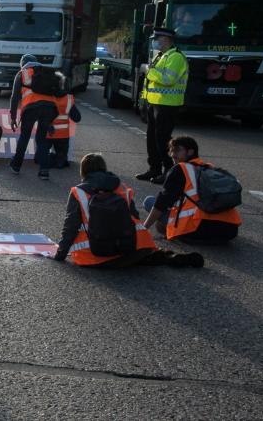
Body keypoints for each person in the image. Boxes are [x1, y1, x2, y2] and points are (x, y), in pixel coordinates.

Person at [52, 153, 203, 268]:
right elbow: (134, 217)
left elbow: (70, 227)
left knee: (105, 255)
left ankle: (156, 257)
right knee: (141, 256)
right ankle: (166, 256)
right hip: (134, 249)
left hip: (96, 256)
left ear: (83, 172)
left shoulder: (78, 192)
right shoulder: (121, 187)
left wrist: (60, 254)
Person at [143, 136, 241, 244]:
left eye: (177, 150)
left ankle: (171, 230)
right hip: (229, 231)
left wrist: (144, 228)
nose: (172, 155)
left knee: (149, 201)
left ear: (190, 152)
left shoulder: (180, 169)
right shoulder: (209, 168)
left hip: (196, 230)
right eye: (171, 150)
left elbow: (161, 202)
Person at [137, 27, 188, 184]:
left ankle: (169, 170)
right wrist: (144, 99)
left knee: (163, 139)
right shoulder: (162, 55)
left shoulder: (176, 57)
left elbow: (167, 80)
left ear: (166, 39)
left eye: (156, 39)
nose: (155, 42)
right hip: (155, 103)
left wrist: (148, 70)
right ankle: (154, 168)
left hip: (168, 105)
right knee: (152, 139)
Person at [8, 54, 59, 180]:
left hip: (31, 108)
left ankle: (16, 166)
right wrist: (51, 122)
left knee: (24, 137)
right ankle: (44, 171)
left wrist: (13, 117)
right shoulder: (47, 72)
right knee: (41, 139)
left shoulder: (22, 73)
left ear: (23, 63)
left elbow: (14, 97)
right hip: (49, 108)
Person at [41, 90, 82, 169]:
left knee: (41, 156)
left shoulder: (45, 97)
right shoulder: (69, 99)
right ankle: (60, 160)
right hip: (63, 136)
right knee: (61, 160)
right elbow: (77, 118)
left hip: (48, 134)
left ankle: (48, 160)